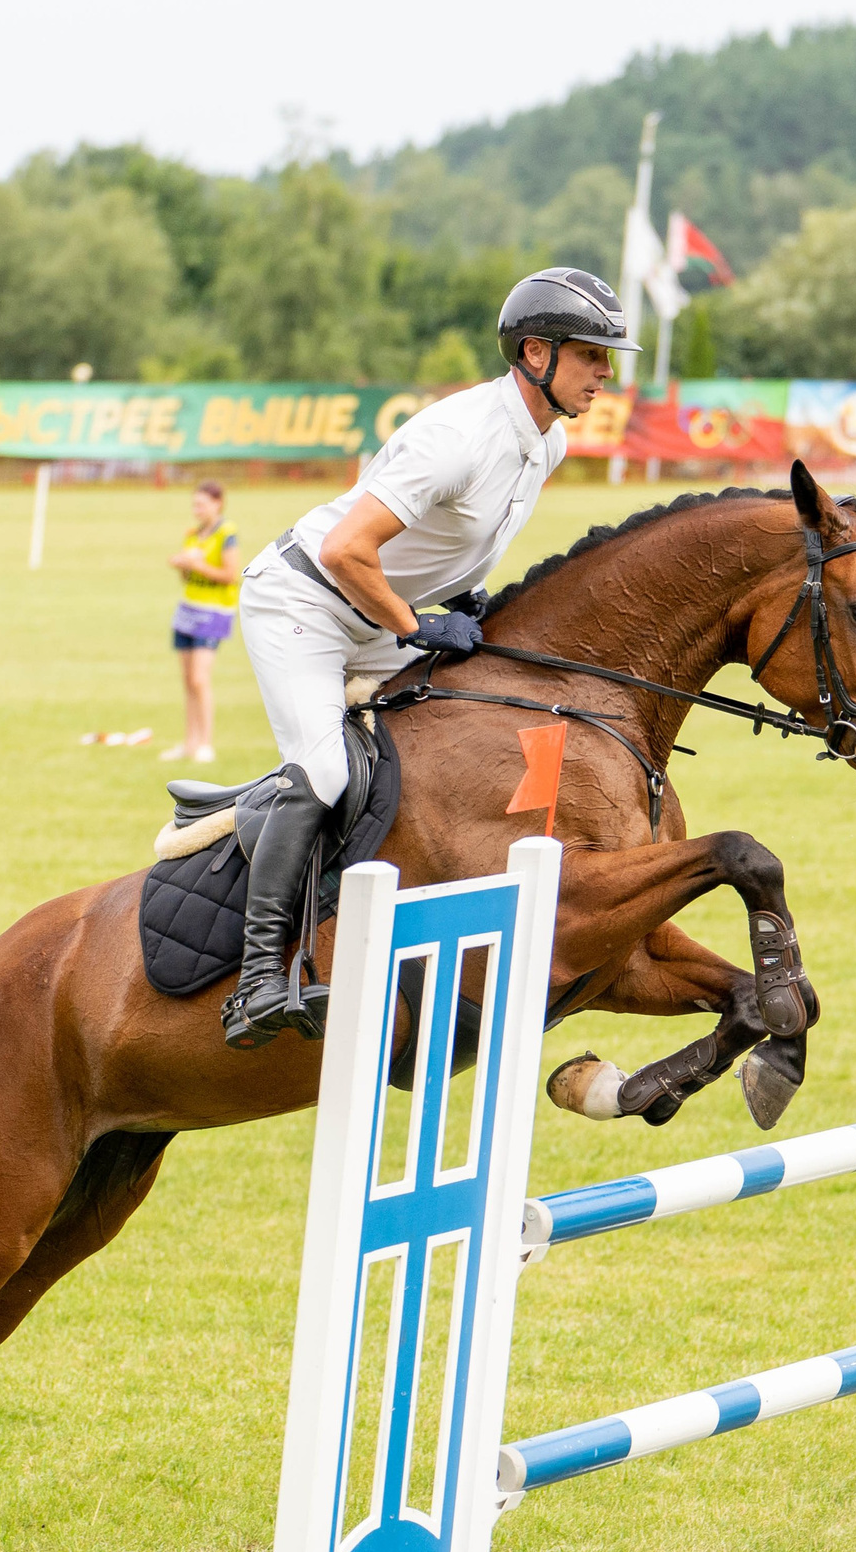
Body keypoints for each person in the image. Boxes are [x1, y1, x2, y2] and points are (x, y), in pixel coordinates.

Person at [223, 267, 639, 1049]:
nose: (605, 374)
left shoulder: (545, 442)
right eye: (592, 355)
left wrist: (464, 597)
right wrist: (416, 624)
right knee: (326, 772)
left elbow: (450, 543)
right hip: (305, 604)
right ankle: (256, 982)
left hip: (376, 609)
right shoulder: (458, 438)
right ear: (536, 353)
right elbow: (346, 550)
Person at [161, 481, 241, 764]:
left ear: (218, 503)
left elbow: (230, 575)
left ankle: (206, 743)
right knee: (187, 681)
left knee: (199, 678)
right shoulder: (192, 534)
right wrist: (183, 566)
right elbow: (187, 577)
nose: (197, 510)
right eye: (195, 504)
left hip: (214, 613)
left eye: (202, 504)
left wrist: (199, 565)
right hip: (188, 611)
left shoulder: (226, 534)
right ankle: (189, 742)